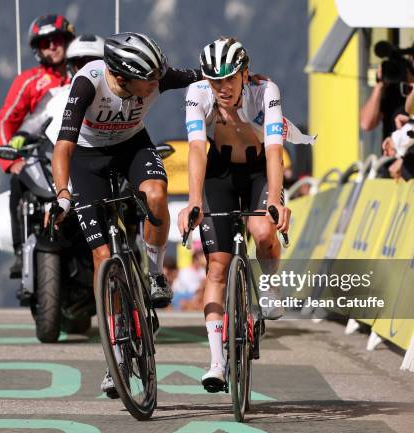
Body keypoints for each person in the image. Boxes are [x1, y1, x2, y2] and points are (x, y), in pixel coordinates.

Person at [50, 32, 204, 398]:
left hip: (131, 146)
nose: (155, 85)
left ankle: (153, 274)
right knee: (103, 257)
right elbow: (63, 146)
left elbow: (203, 75)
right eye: (147, 81)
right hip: (88, 159)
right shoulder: (88, 83)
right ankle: (115, 357)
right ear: (120, 76)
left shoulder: (155, 75)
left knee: (155, 195)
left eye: (157, 79)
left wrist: (247, 77)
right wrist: (62, 194)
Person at [177, 37, 291, 392]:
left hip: (258, 168)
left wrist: (275, 199)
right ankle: (216, 363)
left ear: (244, 74)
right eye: (215, 80)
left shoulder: (265, 90)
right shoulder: (198, 93)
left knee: (261, 229)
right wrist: (194, 199)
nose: (222, 88)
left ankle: (269, 287)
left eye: (228, 79)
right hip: (219, 173)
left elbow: (274, 150)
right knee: (217, 266)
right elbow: (197, 148)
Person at [0, 14, 75, 278]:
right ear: (37, 49)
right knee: (19, 182)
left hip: (81, 153)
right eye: (44, 42)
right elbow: (6, 121)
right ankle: (20, 251)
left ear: (68, 41)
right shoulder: (28, 81)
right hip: (43, 157)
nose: (52, 46)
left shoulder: (84, 74)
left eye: (58, 39)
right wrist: (11, 162)